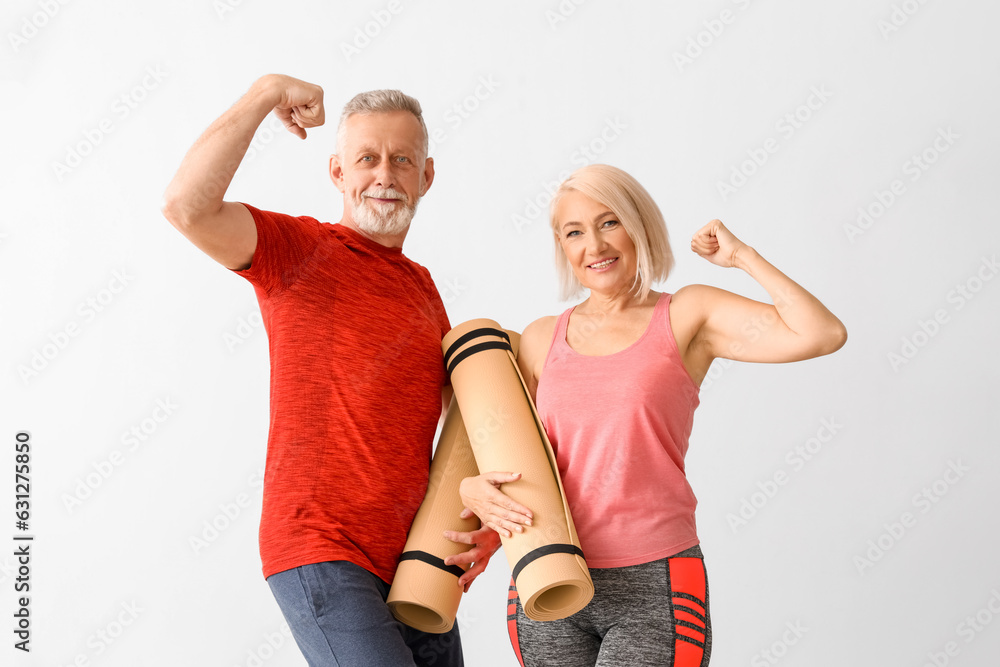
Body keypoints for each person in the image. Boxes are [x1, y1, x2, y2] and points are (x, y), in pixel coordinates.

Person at [160, 73, 498, 667]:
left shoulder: (423, 289)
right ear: (338, 173)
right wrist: (266, 92)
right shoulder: (299, 252)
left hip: (417, 559)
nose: (385, 175)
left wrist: (485, 522)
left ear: (427, 176)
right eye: (367, 159)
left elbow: (467, 431)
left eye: (402, 160)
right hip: (322, 547)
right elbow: (185, 206)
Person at [450, 163, 847, 666]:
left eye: (609, 221)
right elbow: (514, 453)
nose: (594, 245)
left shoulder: (687, 315)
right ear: (562, 247)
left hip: (654, 582)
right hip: (546, 574)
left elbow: (821, 333)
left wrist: (743, 257)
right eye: (575, 232)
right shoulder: (539, 337)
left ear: (638, 226)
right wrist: (475, 495)